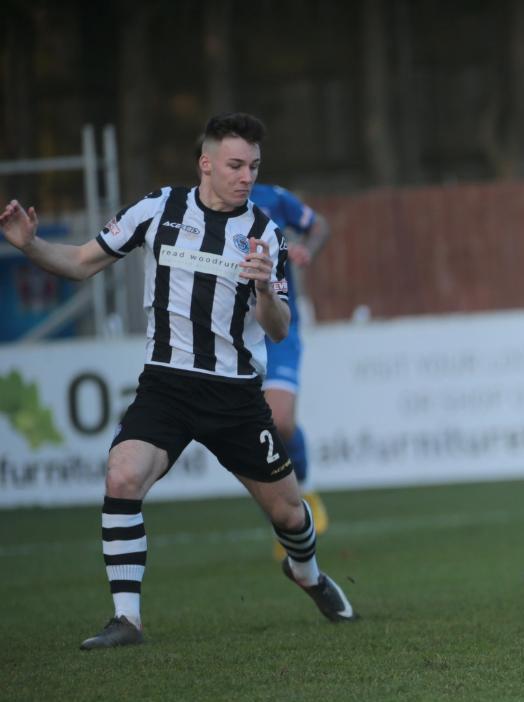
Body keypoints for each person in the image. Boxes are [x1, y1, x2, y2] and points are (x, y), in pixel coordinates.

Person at [0, 112, 357, 650]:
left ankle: (306, 573)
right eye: (236, 165)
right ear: (206, 163)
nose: (246, 176)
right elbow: (79, 261)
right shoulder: (158, 209)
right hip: (166, 384)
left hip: (235, 395)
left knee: (288, 511)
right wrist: (29, 245)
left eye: (254, 166)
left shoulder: (265, 233)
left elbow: (279, 330)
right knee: (121, 477)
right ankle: (127, 620)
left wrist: (264, 291)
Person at [246, 183, 332, 557]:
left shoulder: (274, 199)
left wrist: (305, 250)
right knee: (248, 431)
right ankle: (286, 517)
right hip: (226, 333)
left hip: (278, 325)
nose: (243, 173)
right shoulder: (190, 212)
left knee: (279, 420)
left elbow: (318, 226)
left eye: (249, 163)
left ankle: (305, 490)